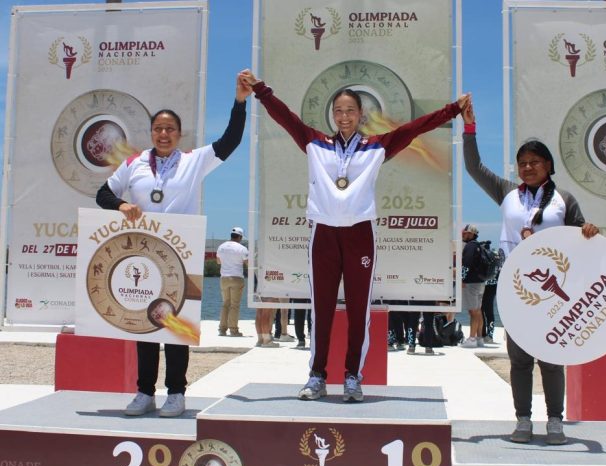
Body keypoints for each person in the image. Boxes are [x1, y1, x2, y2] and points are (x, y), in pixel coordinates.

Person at [246, 71, 469, 402]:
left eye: (350, 110)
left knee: (358, 310)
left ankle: (353, 376)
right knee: (321, 309)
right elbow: (285, 118)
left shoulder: (377, 146)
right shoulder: (314, 142)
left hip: (360, 234)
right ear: (332, 114)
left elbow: (415, 128)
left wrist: (452, 110)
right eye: (339, 110)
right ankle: (317, 376)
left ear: (361, 114)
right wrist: (261, 90)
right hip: (323, 233)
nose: (344, 116)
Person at [95, 70, 251, 417]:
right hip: (144, 255)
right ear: (151, 133)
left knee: (177, 326)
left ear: (179, 134)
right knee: (147, 325)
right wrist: (121, 205)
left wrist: (240, 102)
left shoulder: (194, 161)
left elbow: (230, 141)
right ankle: (144, 393)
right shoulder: (134, 163)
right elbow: (102, 194)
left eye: (170, 129)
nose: (163, 134)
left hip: (181, 256)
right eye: (158, 129)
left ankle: (177, 393)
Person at [462, 100, 599, 445]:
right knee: (520, 360)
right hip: (516, 290)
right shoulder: (507, 193)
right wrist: (470, 129)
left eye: (534, 162)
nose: (527, 168)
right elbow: (474, 167)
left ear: (548, 165)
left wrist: (589, 231)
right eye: (522, 163)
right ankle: (523, 420)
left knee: (551, 359)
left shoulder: (564, 199)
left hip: (554, 292)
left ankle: (555, 422)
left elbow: (581, 238)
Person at [216, 226, 248, 337]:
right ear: (240, 237)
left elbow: (218, 262)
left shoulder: (221, 247)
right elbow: (248, 263)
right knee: (234, 305)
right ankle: (233, 330)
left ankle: (222, 329)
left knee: (225, 304)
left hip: (224, 278)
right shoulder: (242, 248)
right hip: (236, 278)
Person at [460, 224, 486, 348]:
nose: (463, 235)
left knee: (473, 311)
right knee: (478, 310)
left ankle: (471, 339)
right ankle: (479, 338)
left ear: (470, 234)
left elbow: (466, 264)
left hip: (471, 283)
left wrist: (462, 279)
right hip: (480, 282)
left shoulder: (470, 246)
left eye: (465, 233)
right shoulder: (479, 246)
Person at [481, 243, 504, 344]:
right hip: (493, 286)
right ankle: (490, 336)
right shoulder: (495, 255)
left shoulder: (482, 255)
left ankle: (481, 334)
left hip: (482, 284)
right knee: (489, 311)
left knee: (480, 311)